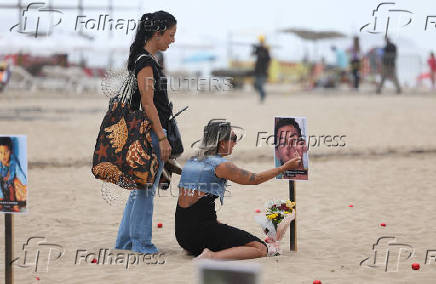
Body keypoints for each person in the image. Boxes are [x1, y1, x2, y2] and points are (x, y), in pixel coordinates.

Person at [175, 119, 301, 260]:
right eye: (233, 139)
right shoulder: (220, 165)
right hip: (200, 234)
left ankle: (204, 249)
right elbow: (255, 179)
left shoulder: (193, 160)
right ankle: (212, 256)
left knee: (221, 229)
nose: (235, 143)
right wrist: (284, 168)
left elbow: (195, 209)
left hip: (182, 236)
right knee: (260, 248)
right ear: (222, 142)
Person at [115, 11, 177, 254]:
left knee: (140, 188)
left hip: (144, 132)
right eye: (170, 35)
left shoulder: (142, 58)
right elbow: (148, 103)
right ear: (157, 33)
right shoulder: (146, 62)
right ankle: (141, 243)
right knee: (146, 190)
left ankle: (125, 242)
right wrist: (162, 137)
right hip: (150, 133)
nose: (172, 40)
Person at [0, 137, 27, 212]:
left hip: (10, 185)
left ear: (10, 152)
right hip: (2, 187)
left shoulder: (13, 162)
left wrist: (24, 184)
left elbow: (21, 176)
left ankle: (13, 204)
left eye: (6, 152)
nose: (3, 155)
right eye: (0, 152)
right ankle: (1, 200)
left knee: (13, 184)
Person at [252, 35, 271, 103]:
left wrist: (267, 69)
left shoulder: (266, 49)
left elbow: (268, 59)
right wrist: (254, 48)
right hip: (257, 70)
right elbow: (253, 54)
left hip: (263, 71)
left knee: (259, 84)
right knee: (256, 85)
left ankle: (263, 95)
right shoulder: (258, 49)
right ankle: (262, 94)